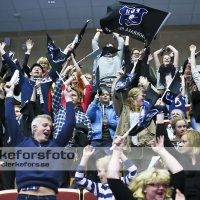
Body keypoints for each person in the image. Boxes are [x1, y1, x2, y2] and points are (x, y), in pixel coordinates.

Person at [4, 81, 76, 200]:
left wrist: (68, 99)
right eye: (45, 125)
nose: (49, 128)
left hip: (48, 197)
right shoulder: (21, 142)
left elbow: (70, 123)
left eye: (50, 127)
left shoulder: (56, 145)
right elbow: (10, 119)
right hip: (25, 197)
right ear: (34, 127)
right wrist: (9, 94)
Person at [0, 41, 74, 115]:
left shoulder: (47, 81)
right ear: (30, 73)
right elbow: (11, 63)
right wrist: (1, 50)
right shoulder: (24, 80)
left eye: (39, 69)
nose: (37, 69)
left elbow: (57, 64)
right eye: (34, 68)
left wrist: (66, 50)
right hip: (26, 114)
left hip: (43, 115)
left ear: (43, 74)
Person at [107, 136, 185, 200]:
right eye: (156, 185)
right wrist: (117, 151)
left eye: (164, 185)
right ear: (144, 188)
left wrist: (161, 150)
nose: (161, 188)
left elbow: (179, 173)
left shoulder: (172, 197)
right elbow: (112, 178)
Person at [156, 112, 200, 200]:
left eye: (184, 142)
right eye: (180, 142)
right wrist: (160, 113)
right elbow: (163, 139)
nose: (180, 145)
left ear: (193, 142)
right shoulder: (178, 158)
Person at [86, 88, 119, 159]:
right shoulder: (94, 106)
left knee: (111, 160)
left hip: (110, 140)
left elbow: (119, 123)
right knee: (94, 161)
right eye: (102, 94)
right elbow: (88, 117)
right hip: (96, 139)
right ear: (99, 97)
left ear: (110, 97)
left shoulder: (115, 108)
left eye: (107, 94)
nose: (105, 96)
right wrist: (95, 101)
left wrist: (109, 123)